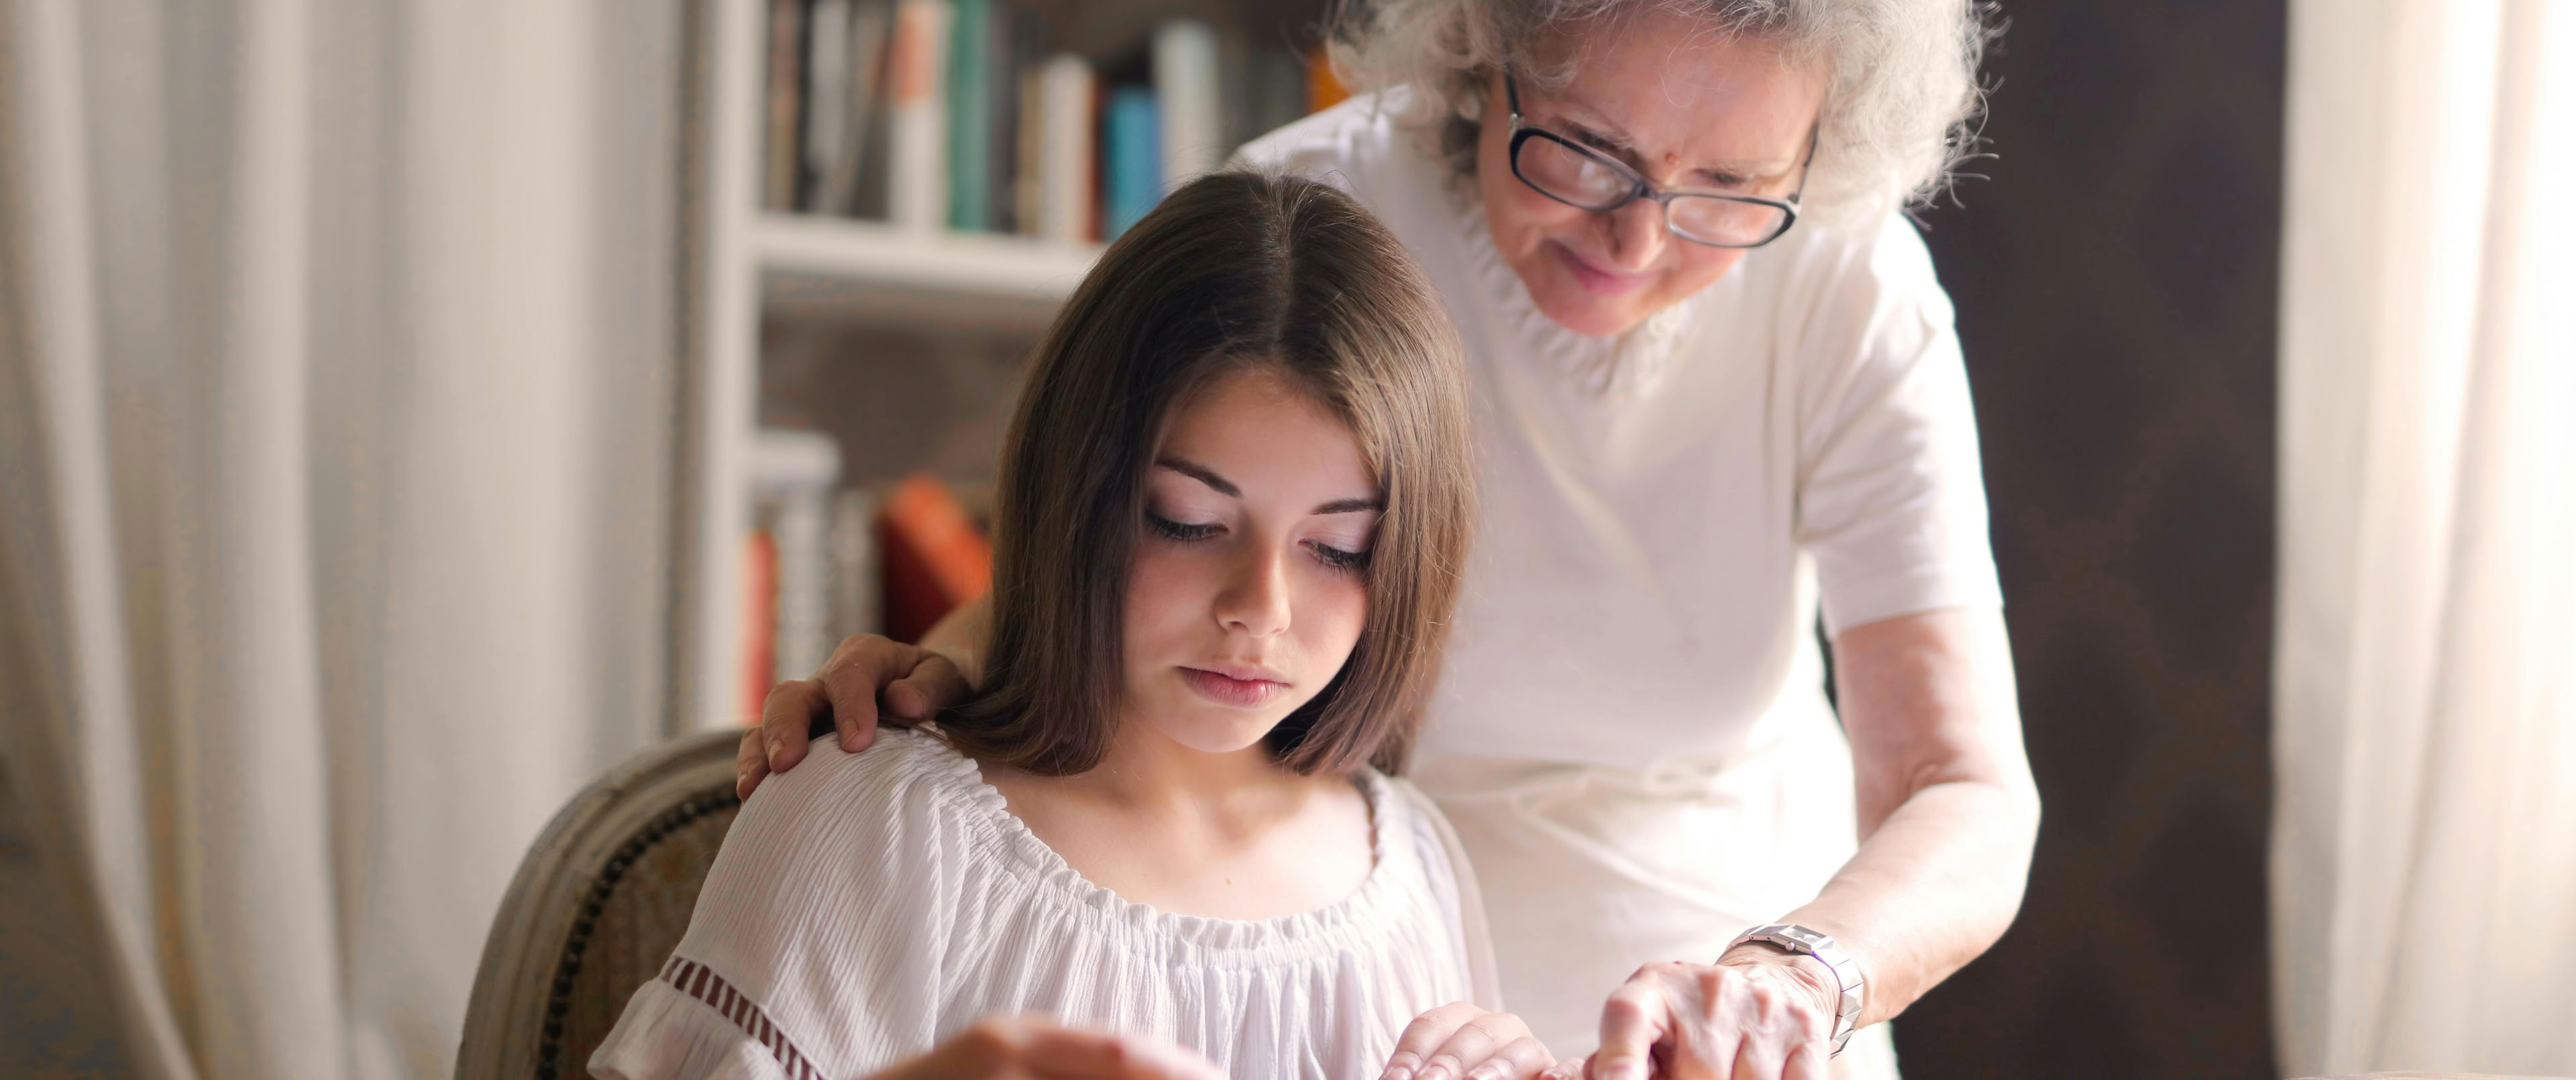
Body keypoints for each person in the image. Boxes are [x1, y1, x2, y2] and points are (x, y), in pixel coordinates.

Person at [748, 3, 2042, 1079]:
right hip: (1366, 979)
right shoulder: (1302, 224)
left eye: (1731, 188)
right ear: (1486, 53)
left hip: (1732, 1013)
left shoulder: (1850, 288)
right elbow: (1123, 542)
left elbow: (1966, 788)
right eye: (1586, 150)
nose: (1636, 238)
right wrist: (943, 664)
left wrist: (1802, 975)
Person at [592, 172, 1551, 1080]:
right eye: (1187, 521)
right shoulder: (882, 827)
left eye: (1339, 546)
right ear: (1078, 496)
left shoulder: (1413, 869)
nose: (1262, 606)